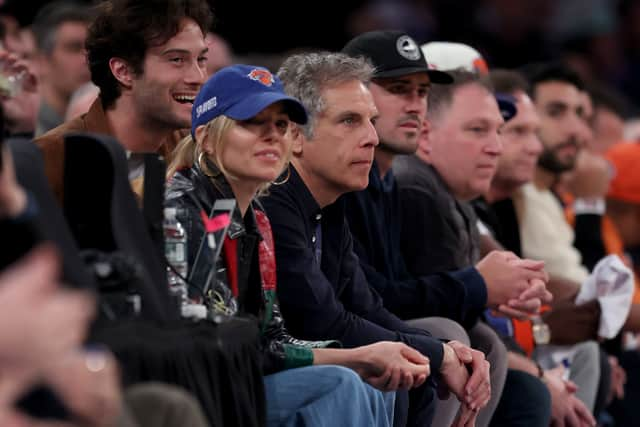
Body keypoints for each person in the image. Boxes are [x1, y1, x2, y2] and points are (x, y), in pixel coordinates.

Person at [165, 64, 410, 426]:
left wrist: (364, 355)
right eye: (252, 123)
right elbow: (214, 346)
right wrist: (350, 357)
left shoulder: (256, 217)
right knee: (340, 382)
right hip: (193, 393)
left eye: (281, 125)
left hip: (239, 377)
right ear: (205, 137)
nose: (272, 137)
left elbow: (274, 338)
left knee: (375, 377)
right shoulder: (184, 210)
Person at [263, 51, 491, 427]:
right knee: (382, 373)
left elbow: (368, 307)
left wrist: (448, 352)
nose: (371, 138)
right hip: (265, 368)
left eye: (371, 121)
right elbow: (323, 321)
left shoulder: (331, 203)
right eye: (350, 121)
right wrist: (436, 354)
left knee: (423, 360)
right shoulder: (273, 199)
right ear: (295, 136)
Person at [340, 30, 552, 427]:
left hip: (371, 333)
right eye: (399, 89)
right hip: (337, 343)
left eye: (421, 92)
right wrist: (477, 287)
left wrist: (492, 286)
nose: (415, 105)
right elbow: (369, 300)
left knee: (478, 344)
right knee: (450, 336)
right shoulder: (405, 183)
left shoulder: (388, 178)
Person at [35, 0, 212, 204]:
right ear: (123, 71)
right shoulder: (49, 161)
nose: (198, 77)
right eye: (176, 60)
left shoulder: (200, 154)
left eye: (201, 60)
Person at [31, 0, 92, 136]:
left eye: (92, 49)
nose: (87, 60)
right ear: (43, 60)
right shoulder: (26, 129)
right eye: (74, 48)